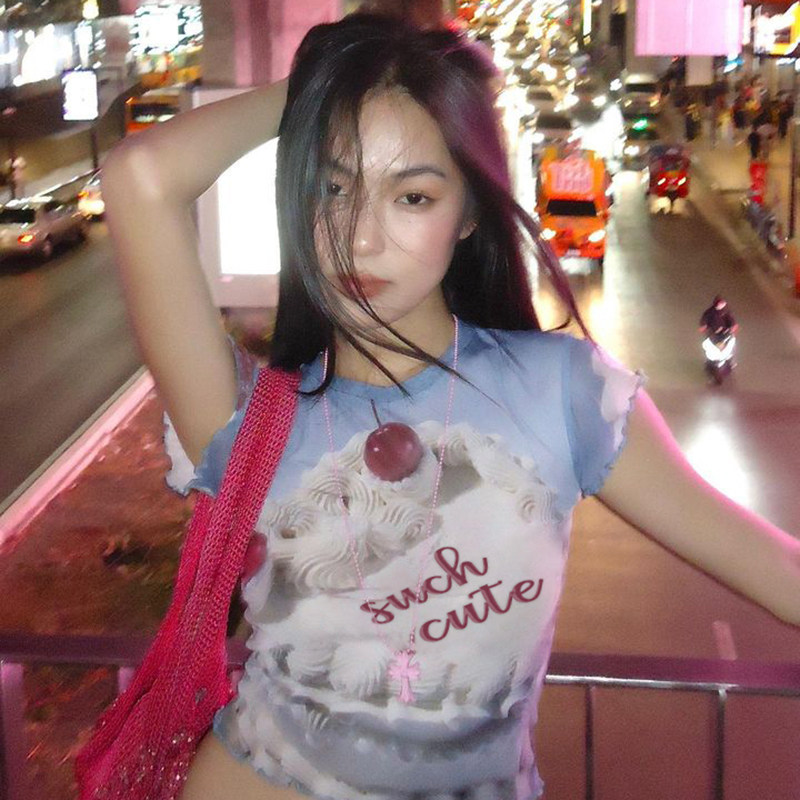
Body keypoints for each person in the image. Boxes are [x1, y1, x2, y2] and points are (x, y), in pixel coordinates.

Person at [95, 12, 800, 800]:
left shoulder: (561, 394)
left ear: (467, 214)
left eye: (413, 196)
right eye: (333, 187)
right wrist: (332, 80)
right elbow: (140, 177)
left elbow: (777, 567)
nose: (361, 239)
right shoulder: (247, 421)